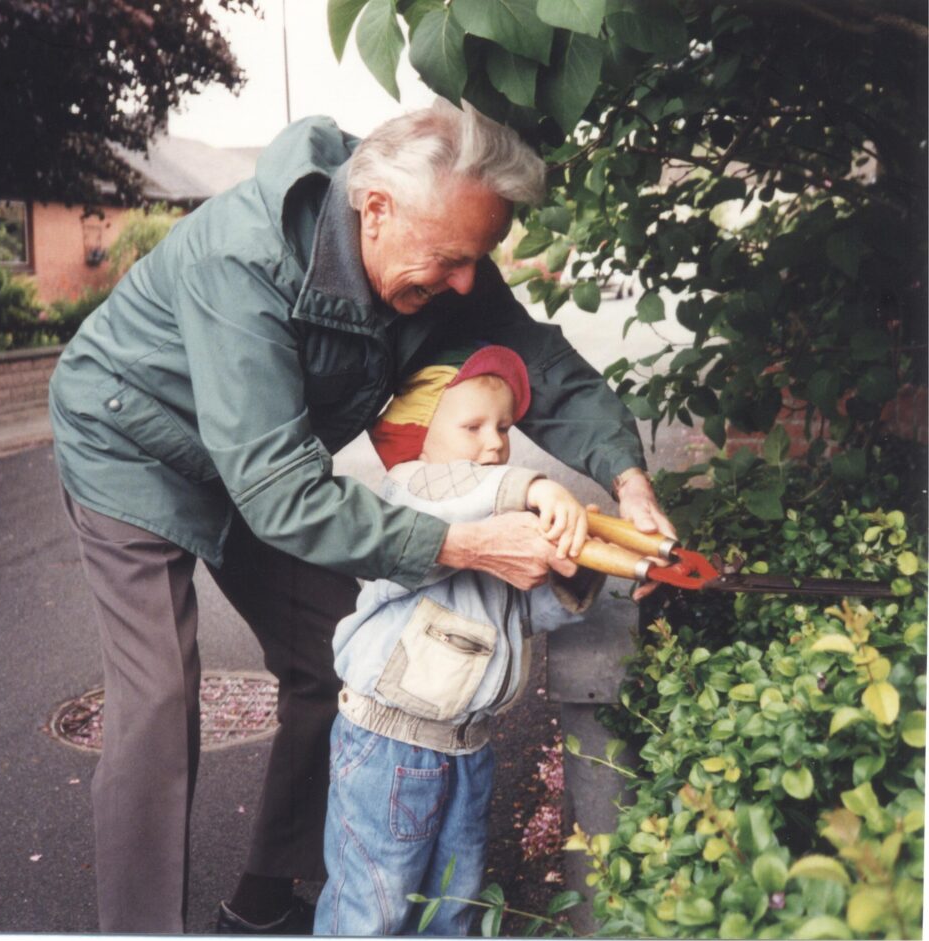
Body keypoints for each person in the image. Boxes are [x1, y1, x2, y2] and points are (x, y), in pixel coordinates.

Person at [48, 97, 673, 935]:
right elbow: (282, 494)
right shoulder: (241, 259)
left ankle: (267, 892)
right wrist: (464, 542)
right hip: (130, 440)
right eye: (452, 260)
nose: (464, 283)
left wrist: (628, 479)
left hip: (250, 453)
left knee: (332, 652)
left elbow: (539, 364)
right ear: (375, 209)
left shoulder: (433, 239)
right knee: (158, 700)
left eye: (476, 260)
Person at [314, 345, 608, 936]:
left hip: (468, 748)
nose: (495, 443)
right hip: (389, 748)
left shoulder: (492, 527)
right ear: (418, 433)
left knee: (454, 904)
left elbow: (528, 616)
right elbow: (448, 494)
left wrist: (577, 572)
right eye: (471, 426)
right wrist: (534, 488)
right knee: (372, 907)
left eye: (502, 427)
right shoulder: (406, 495)